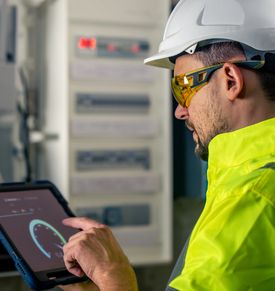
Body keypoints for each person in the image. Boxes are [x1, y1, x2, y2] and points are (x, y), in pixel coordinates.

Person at [60, 0, 275, 290]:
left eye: (183, 87)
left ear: (230, 80)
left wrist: (113, 275)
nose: (180, 110)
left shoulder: (252, 199)